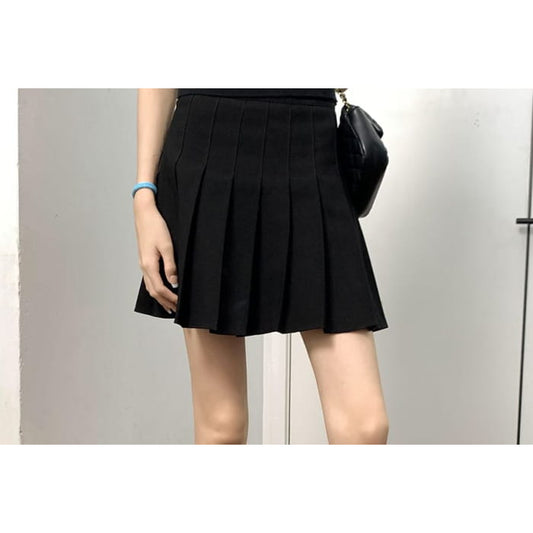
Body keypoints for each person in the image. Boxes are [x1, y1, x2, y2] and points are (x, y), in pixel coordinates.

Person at [132, 88, 389, 444]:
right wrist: (144, 196)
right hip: (209, 151)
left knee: (364, 427)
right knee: (222, 426)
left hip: (312, 149)